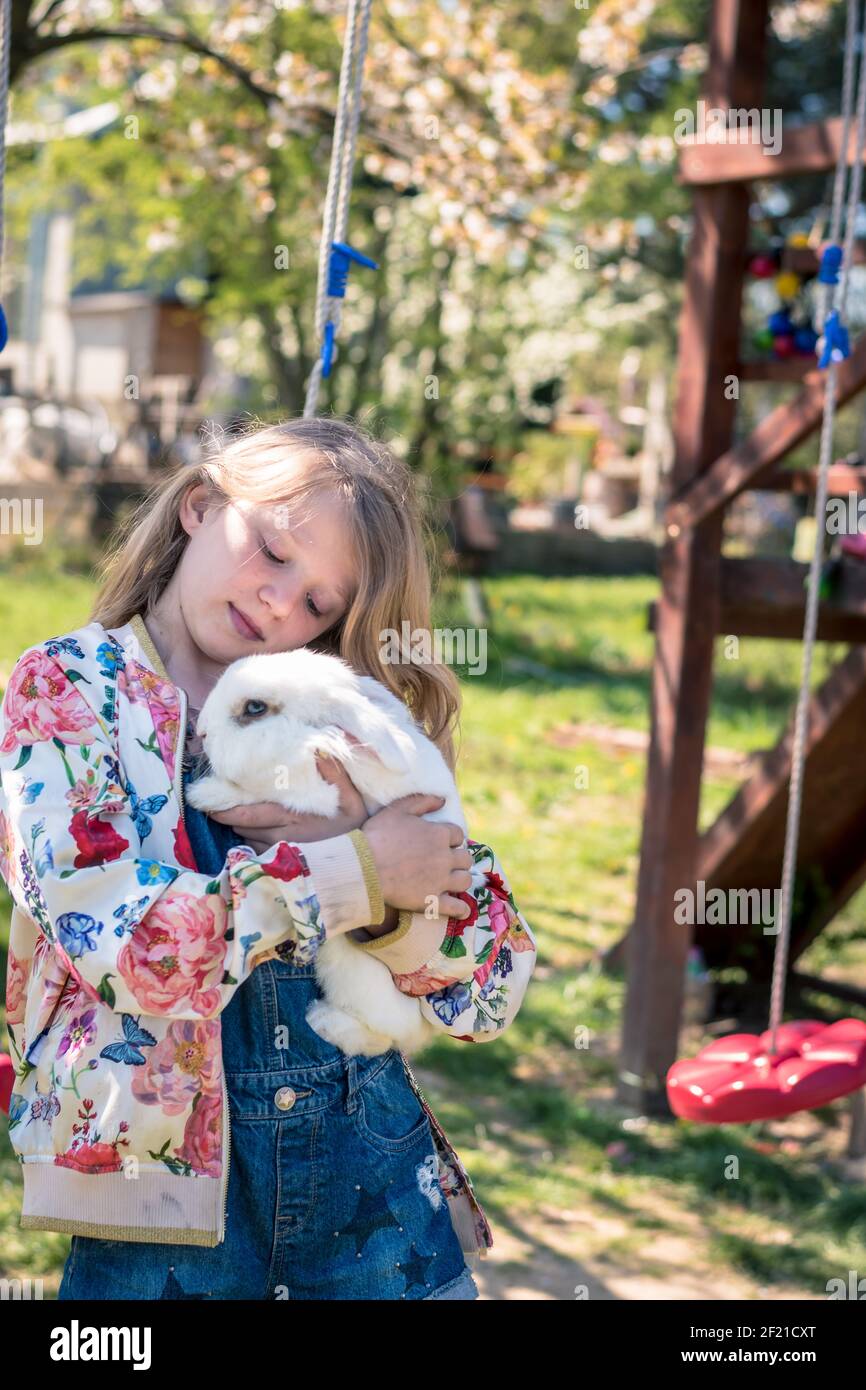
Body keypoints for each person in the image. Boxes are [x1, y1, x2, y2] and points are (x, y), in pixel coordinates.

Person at [0, 414, 537, 1299]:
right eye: (274, 551)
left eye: (321, 603)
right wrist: (352, 872)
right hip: (156, 1222)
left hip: (375, 1210)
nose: (283, 601)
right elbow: (132, 954)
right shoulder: (68, 694)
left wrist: (399, 906)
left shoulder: (339, 720)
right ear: (201, 506)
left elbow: (492, 988)